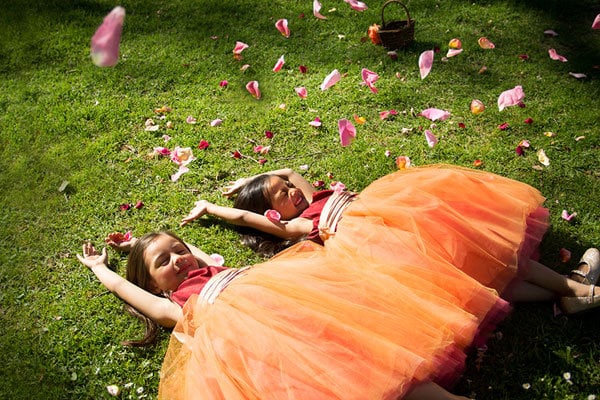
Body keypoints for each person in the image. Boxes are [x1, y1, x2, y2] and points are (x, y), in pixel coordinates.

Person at [78, 231, 490, 400]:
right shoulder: (174, 304)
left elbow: (195, 255)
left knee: (371, 353)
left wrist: (145, 243)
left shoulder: (207, 268)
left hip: (298, 303)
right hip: (264, 343)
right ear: (154, 285)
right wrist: (101, 268)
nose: (178, 260)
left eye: (179, 250)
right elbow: (125, 288)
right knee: (341, 378)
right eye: (163, 262)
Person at [180, 164, 600, 314]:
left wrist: (255, 179)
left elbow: (289, 171)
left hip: (407, 216)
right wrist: (214, 208)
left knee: (490, 256)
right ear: (273, 216)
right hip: (391, 247)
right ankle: (576, 288)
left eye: (285, 188)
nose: (290, 192)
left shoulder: (310, 195)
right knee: (485, 276)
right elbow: (243, 215)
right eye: (279, 197)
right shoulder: (299, 226)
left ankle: (572, 290)